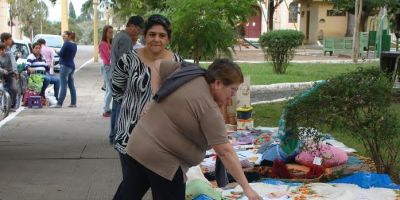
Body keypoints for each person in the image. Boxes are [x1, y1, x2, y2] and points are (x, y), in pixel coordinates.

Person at [113, 59, 262, 200]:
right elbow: (225, 152)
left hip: (138, 145)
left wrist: (155, 96)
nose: (233, 96)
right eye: (233, 90)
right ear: (218, 83)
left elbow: (157, 65)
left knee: (127, 195)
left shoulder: (191, 72)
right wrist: (247, 188)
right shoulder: (209, 109)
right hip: (163, 162)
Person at [112, 14, 183, 179]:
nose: (156, 39)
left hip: (164, 139)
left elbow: (181, 97)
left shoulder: (177, 63)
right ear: (145, 36)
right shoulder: (128, 60)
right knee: (131, 188)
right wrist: (135, 105)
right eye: (152, 34)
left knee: (162, 189)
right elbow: (116, 90)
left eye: (162, 35)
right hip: (130, 136)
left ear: (168, 39)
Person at [109, 15, 144, 144]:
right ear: (132, 26)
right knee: (121, 109)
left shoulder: (119, 36)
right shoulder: (125, 39)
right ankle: (117, 136)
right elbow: (126, 63)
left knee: (116, 108)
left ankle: (113, 136)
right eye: (138, 29)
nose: (139, 33)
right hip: (122, 79)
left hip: (115, 76)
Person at [50, 31, 77, 108]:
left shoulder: (66, 43)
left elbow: (61, 54)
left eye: (64, 36)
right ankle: (73, 103)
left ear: (69, 36)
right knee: (71, 85)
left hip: (65, 66)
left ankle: (59, 103)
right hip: (72, 66)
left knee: (63, 85)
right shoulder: (74, 44)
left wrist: (56, 51)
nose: (63, 37)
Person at [1, 32, 18, 111]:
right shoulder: (2, 48)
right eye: (10, 39)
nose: (11, 41)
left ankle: (12, 105)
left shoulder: (9, 50)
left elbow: (13, 61)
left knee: (14, 89)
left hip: (10, 73)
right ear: (5, 40)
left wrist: (15, 71)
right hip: (1, 72)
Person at [99, 25, 114, 117]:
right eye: (109, 32)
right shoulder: (103, 44)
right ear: (105, 33)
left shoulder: (111, 43)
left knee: (109, 89)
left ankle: (107, 108)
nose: (111, 34)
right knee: (111, 89)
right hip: (107, 67)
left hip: (111, 67)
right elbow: (109, 57)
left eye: (112, 32)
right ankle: (106, 109)